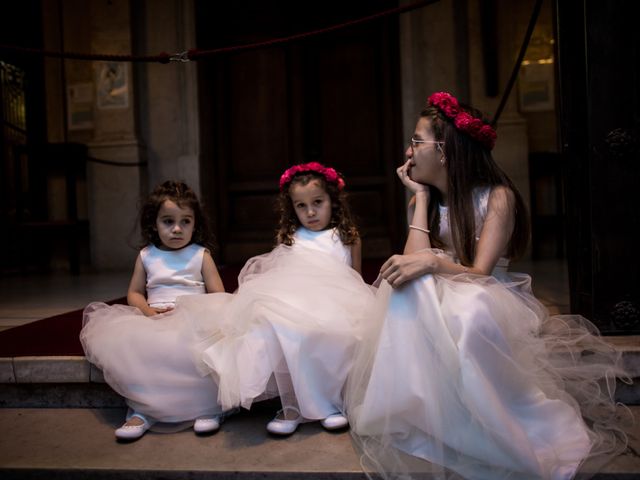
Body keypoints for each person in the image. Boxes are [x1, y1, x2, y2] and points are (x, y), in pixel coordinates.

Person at [345, 92, 631, 479]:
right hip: (443, 287)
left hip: (485, 291)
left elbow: (479, 272)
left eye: (417, 141)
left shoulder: (498, 197)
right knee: (409, 289)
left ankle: (494, 424)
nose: (409, 150)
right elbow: (414, 259)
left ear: (444, 151)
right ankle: (421, 407)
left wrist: (432, 261)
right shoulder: (423, 203)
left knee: (468, 309)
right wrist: (421, 198)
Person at [189, 162, 375, 436]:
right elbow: (281, 275)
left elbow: (355, 278)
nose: (310, 212)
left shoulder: (347, 237)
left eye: (318, 202)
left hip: (338, 303)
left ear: (333, 201)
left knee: (333, 331)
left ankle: (328, 403)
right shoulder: (291, 237)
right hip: (295, 301)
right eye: (301, 206)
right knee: (282, 328)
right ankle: (293, 406)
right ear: (292, 207)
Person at [80, 180, 228, 441]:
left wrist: (198, 311)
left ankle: (208, 407)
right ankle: (142, 410)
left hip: (193, 318)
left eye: (186, 221)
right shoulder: (147, 255)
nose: (177, 229)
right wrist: (148, 312)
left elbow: (218, 294)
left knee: (200, 349)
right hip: (155, 316)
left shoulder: (200, 255)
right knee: (139, 351)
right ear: (154, 223)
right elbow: (134, 293)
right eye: (168, 221)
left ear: (196, 224)